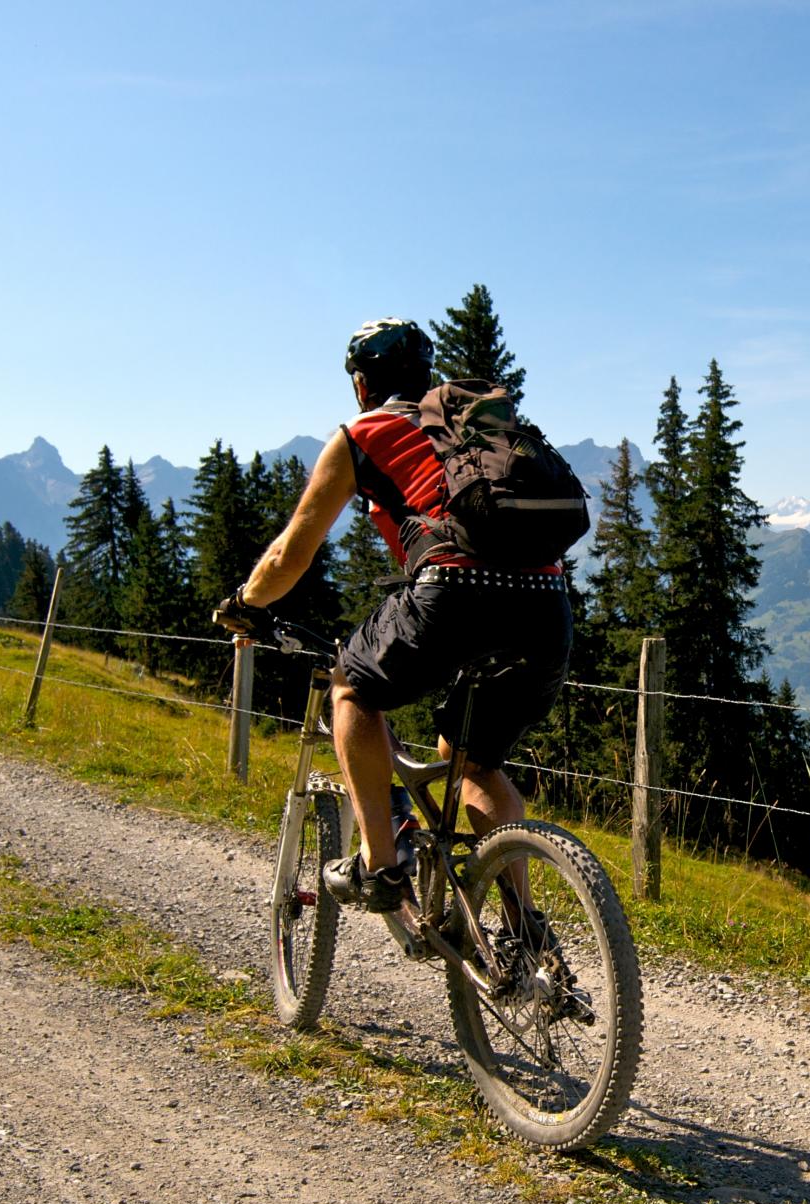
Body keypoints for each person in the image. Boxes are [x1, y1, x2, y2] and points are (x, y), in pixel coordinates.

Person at [211, 319, 573, 911]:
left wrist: (246, 605)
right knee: (474, 763)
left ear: (361, 385)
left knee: (351, 690)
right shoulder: (470, 431)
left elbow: (290, 553)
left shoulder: (364, 432)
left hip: (455, 593)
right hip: (546, 605)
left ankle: (381, 867)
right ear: (424, 376)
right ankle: (523, 936)